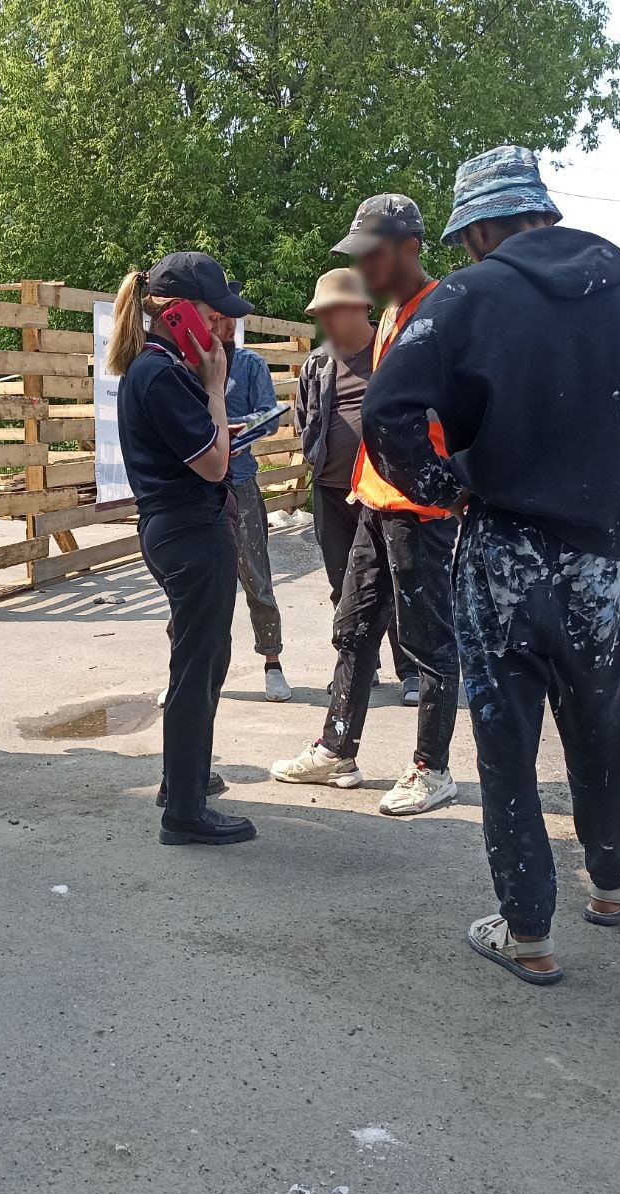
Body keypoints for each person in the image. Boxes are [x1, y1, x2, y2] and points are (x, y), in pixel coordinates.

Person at [362, 145, 620, 985]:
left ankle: (528, 934)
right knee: (607, 727)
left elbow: (388, 409)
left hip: (502, 553)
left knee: (505, 740)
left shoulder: (468, 296)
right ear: (542, 211)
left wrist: (447, 489)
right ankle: (611, 887)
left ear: (476, 231)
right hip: (603, 563)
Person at [271, 196, 461, 816]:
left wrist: (449, 487)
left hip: (420, 511)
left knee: (429, 642)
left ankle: (432, 768)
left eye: (372, 256)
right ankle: (337, 749)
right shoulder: (391, 315)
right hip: (374, 502)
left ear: (410, 249)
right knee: (353, 630)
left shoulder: (443, 312)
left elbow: (470, 409)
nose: (363, 269)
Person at [109, 251, 257, 845]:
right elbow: (213, 465)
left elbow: (197, 449)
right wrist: (215, 390)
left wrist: (214, 411)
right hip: (191, 531)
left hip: (177, 527)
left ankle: (183, 782)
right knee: (198, 668)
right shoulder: (162, 373)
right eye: (212, 313)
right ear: (176, 313)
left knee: (200, 660)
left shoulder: (159, 368)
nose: (222, 325)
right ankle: (185, 813)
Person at [297, 267, 420, 706]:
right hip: (331, 490)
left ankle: (411, 670)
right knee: (343, 585)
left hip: (384, 492)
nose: (325, 320)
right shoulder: (317, 362)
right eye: (320, 313)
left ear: (360, 307)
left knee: (396, 582)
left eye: (333, 311)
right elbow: (306, 417)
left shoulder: (391, 353)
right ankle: (358, 669)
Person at [217, 282, 292, 702]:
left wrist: (237, 432)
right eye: (218, 315)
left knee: (255, 575)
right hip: (197, 487)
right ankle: (186, 667)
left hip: (240, 482)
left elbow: (270, 418)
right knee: (194, 584)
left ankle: (272, 662)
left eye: (232, 316)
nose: (226, 323)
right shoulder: (184, 364)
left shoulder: (249, 364)